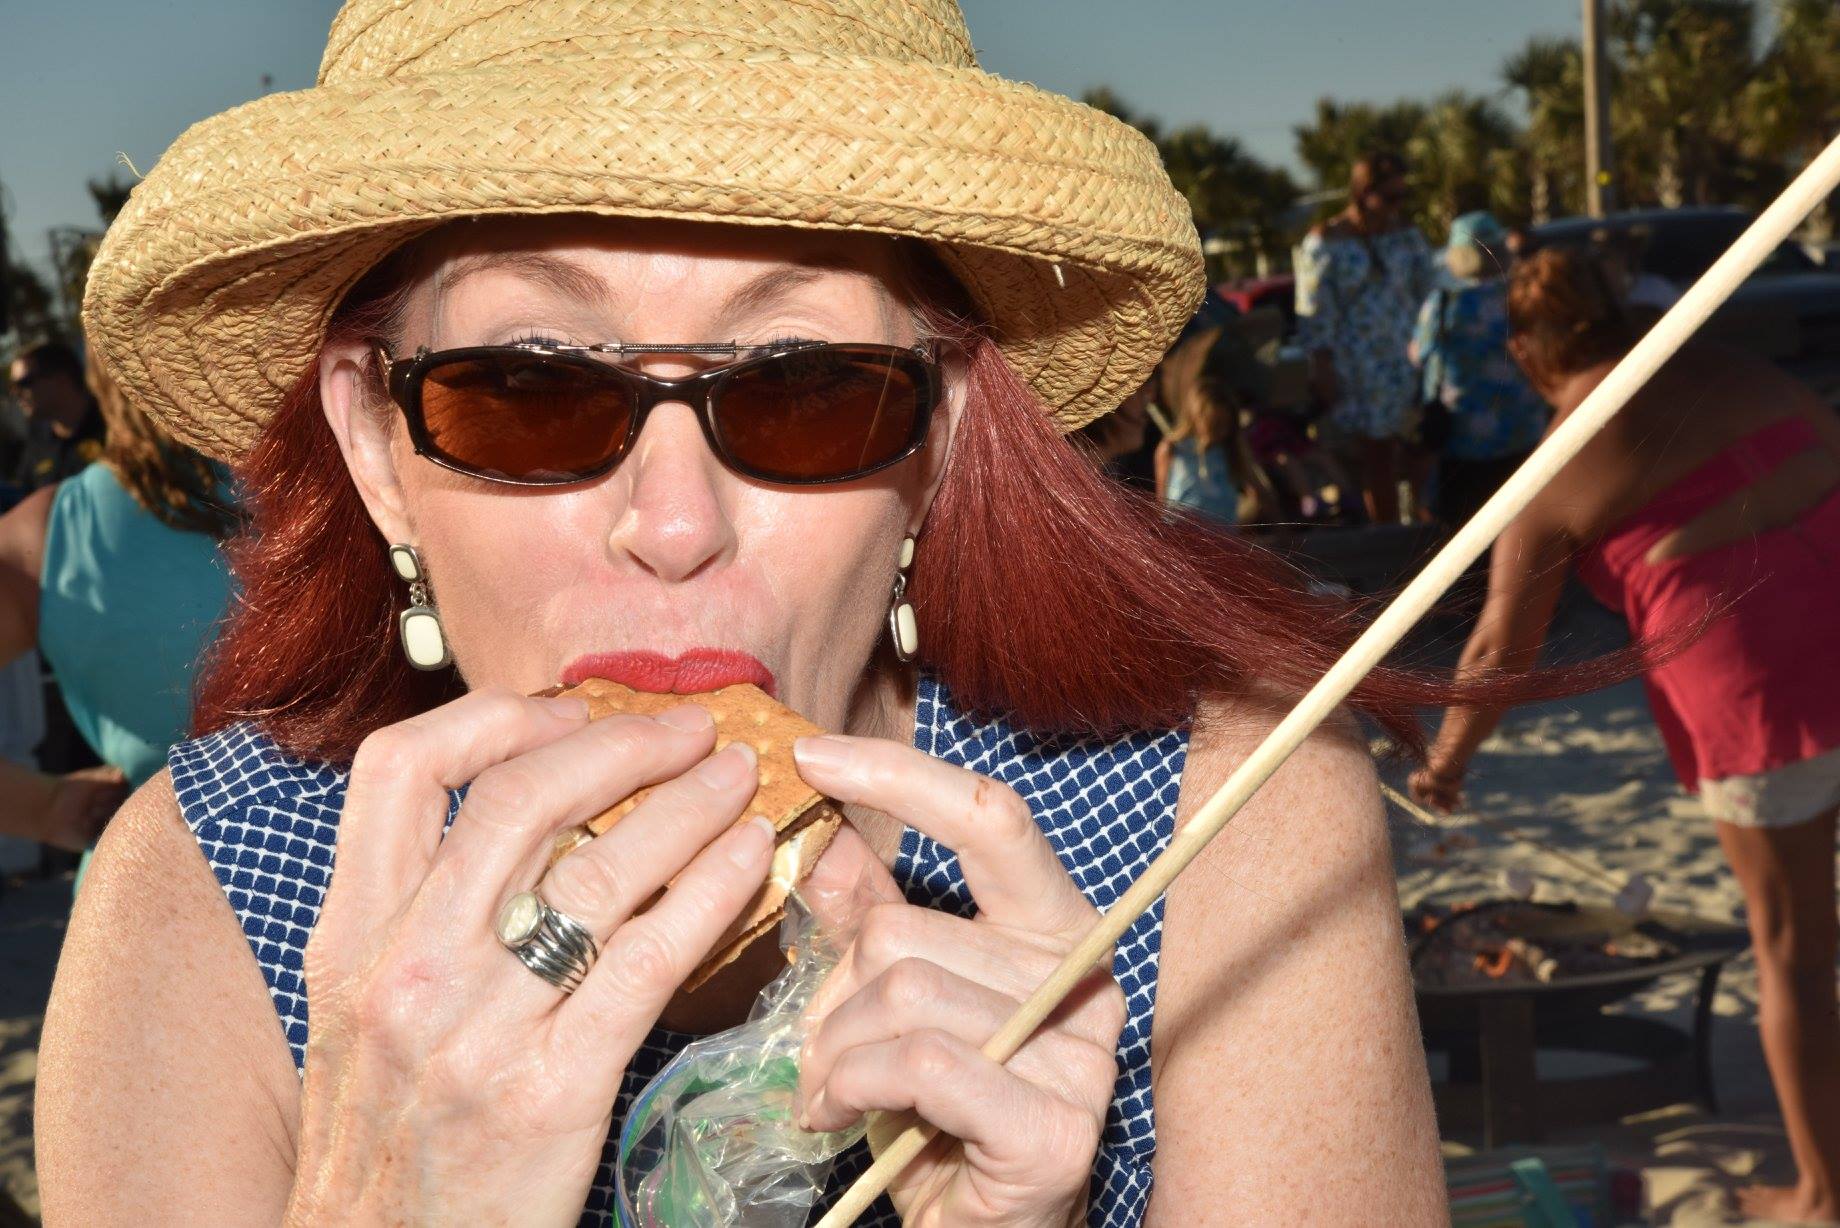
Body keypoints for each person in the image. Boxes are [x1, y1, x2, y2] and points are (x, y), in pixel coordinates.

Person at [43, 3, 1500, 1222]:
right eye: (532, 387)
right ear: (377, 449)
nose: (676, 524)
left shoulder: (1223, 827)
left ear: (938, 440)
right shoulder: (203, 905)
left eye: (804, 388)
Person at [1412, 247, 1840, 1225]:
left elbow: (1498, 650)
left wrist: (1446, 763)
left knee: (1794, 948)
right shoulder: (1730, 367)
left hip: (1756, 679)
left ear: (1525, 352)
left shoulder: (1561, 458)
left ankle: (1821, 1194)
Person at [0, 346, 235, 871]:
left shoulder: (47, 535)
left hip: (156, 890)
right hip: (382, 880)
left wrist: (44, 809)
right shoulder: (361, 475)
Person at [1294, 151, 1437, 524]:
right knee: (1377, 455)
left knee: (1420, 447)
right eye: (1389, 197)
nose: (1396, 206)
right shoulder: (1326, 242)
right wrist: (1321, 365)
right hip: (1359, 366)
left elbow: (1429, 292)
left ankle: (1425, 529)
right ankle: (1389, 536)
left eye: (1402, 197)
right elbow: (1314, 310)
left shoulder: (1406, 237)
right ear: (1363, 192)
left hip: (1407, 357)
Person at [1410, 211, 1549, 527]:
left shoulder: (1443, 304)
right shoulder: (1522, 296)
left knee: (1469, 527)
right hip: (1524, 429)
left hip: (1464, 438)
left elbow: (1419, 355)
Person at [1153, 325, 1262, 527]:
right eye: (1214, 423)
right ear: (1196, 418)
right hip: (1183, 533)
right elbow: (1162, 502)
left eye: (1224, 424)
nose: (1219, 430)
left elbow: (1253, 489)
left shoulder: (1229, 450)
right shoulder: (1172, 449)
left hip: (1222, 534)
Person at [8, 340, 105, 492]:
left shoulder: (113, 426)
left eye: (24, 383)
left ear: (61, 380)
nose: (16, 393)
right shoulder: (37, 443)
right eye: (12, 387)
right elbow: (25, 496)